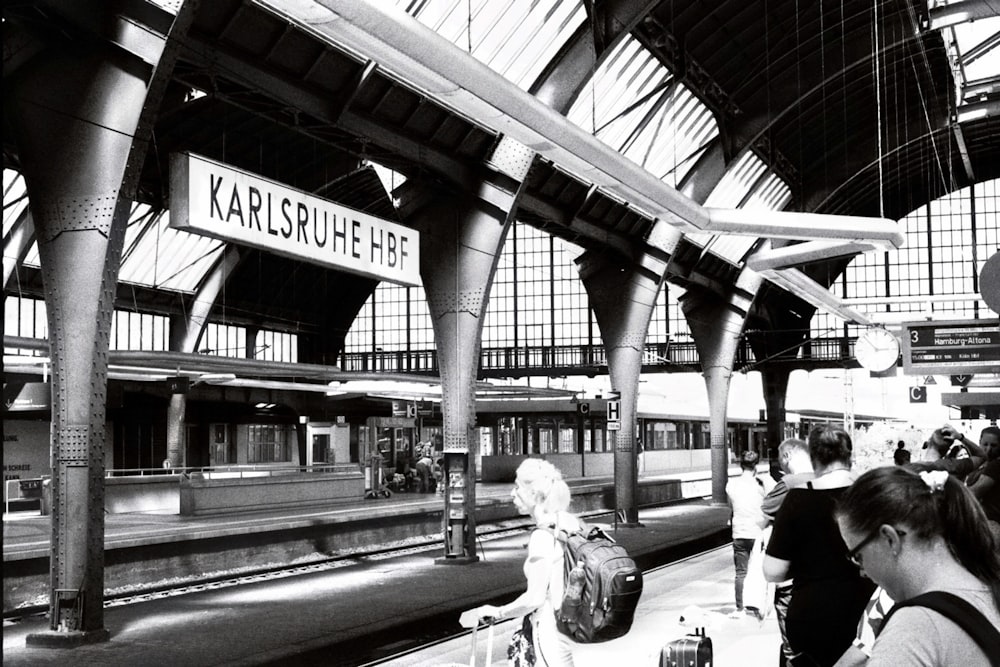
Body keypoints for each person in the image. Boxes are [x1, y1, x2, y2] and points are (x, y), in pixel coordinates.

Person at [835, 466, 1000, 666]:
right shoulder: (988, 587)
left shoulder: (914, 629)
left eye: (857, 556)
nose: (862, 572)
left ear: (889, 539)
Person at [764, 425, 876, 667]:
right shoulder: (871, 495)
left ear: (814, 458)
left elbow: (773, 571)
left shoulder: (797, 499)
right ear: (849, 455)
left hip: (811, 617)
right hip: (864, 614)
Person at [461, 458, 583, 666]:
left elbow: (534, 599)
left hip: (548, 629)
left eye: (517, 487)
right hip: (569, 624)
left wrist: (498, 612)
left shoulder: (543, 536)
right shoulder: (568, 523)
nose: (512, 493)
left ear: (533, 494)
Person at [762, 438, 815, 666]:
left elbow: (763, 515)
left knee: (793, 647)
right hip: (817, 576)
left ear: (787, 457)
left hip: (789, 577)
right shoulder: (826, 479)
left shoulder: (789, 483)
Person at [726, 450, 767, 619]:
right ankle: (759, 606)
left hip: (739, 532)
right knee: (760, 572)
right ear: (755, 465)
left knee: (740, 573)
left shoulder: (731, 485)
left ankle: (739, 609)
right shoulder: (760, 484)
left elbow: (732, 508)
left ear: (740, 465)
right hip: (757, 532)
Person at [964, 426, 1000, 539]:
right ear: (979, 443)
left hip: (990, 524)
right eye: (985, 444)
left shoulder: (996, 466)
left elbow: (974, 492)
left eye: (994, 445)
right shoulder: (983, 464)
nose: (988, 449)